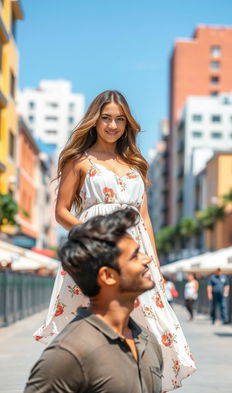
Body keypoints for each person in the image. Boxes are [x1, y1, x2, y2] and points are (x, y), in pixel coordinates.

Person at [33, 90, 196, 391]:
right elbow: (60, 212)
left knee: (149, 324)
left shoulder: (136, 164)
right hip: (98, 250)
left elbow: (144, 219)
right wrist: (96, 239)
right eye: (106, 118)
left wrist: (156, 266)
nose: (112, 125)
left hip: (136, 252)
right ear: (94, 120)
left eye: (120, 119)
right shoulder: (79, 161)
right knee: (96, 320)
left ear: (127, 123)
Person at [24, 209, 163, 393]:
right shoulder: (68, 353)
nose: (147, 259)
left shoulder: (148, 340)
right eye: (135, 255)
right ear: (108, 276)